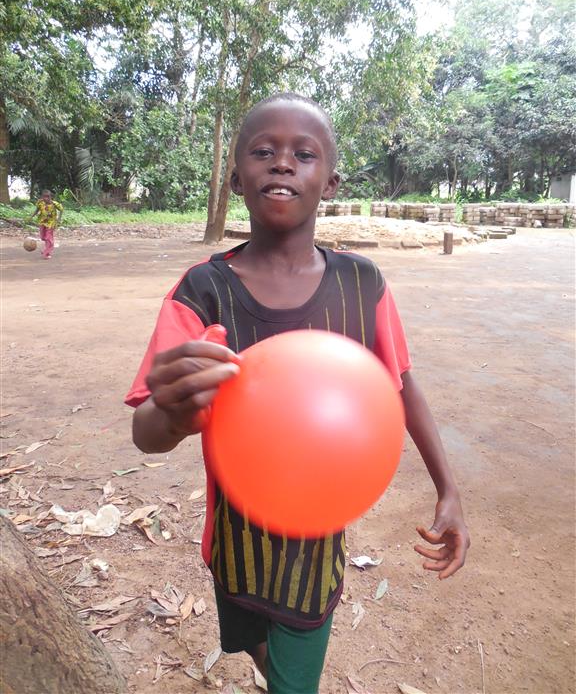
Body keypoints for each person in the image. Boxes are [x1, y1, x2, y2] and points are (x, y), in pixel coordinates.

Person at [125, 93, 470, 694]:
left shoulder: (362, 284)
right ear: (236, 179)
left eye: (303, 154)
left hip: (314, 552)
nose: (282, 162)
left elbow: (402, 384)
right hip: (233, 543)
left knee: (295, 676)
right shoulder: (202, 291)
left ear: (330, 183)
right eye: (263, 151)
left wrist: (449, 488)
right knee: (252, 643)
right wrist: (173, 411)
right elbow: (146, 433)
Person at [31, 190, 63, 259]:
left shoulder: (55, 204)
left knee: (48, 237)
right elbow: (37, 210)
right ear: (42, 197)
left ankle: (47, 252)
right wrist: (31, 216)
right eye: (44, 197)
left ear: (51, 197)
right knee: (43, 237)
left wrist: (59, 219)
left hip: (51, 223)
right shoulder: (40, 203)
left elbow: (61, 210)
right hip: (42, 222)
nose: (46, 198)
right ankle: (47, 248)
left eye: (48, 197)